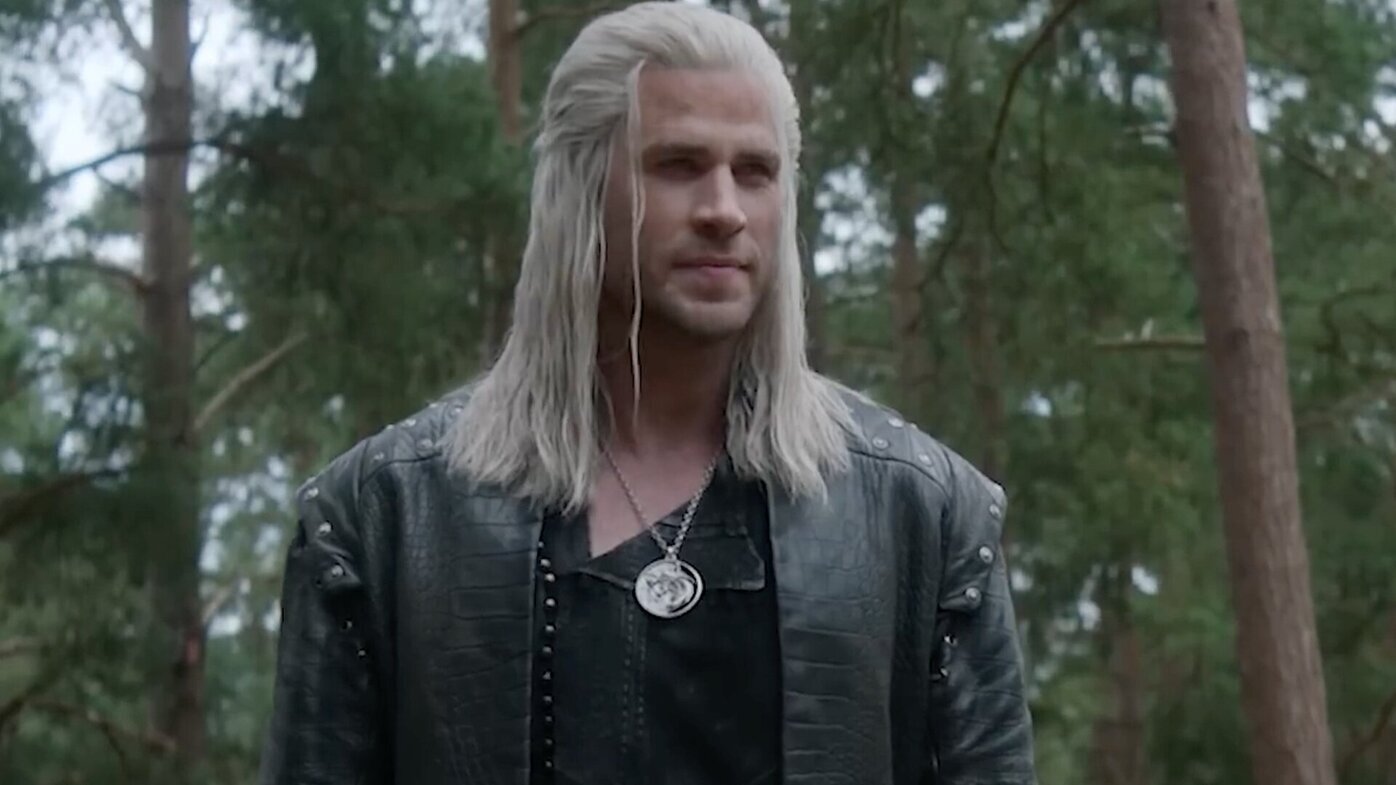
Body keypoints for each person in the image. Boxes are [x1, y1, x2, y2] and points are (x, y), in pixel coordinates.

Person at [258, 3, 1036, 784]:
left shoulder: (925, 514)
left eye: (754, 172)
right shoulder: (384, 516)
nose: (723, 210)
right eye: (677, 165)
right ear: (578, 190)